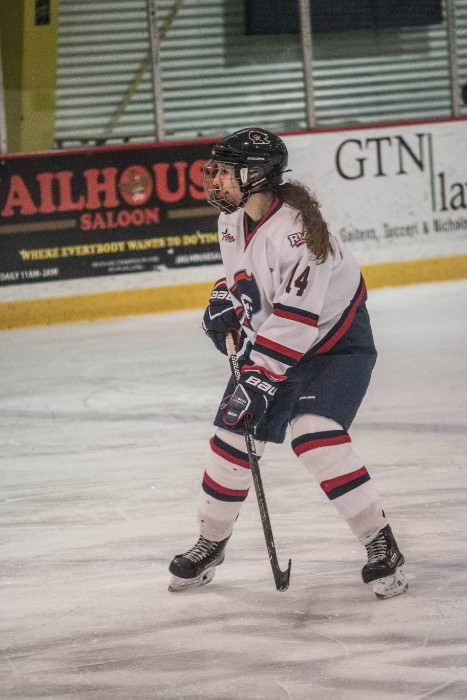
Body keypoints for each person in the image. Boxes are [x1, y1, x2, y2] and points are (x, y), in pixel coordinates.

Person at [168, 127, 408, 600]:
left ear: (254, 175)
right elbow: (246, 281)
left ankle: (382, 544)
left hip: (334, 345)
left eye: (224, 169)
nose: (214, 178)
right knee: (231, 436)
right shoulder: (233, 220)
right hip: (279, 342)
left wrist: (260, 373)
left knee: (314, 436)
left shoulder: (300, 237)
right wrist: (227, 305)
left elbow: (297, 322)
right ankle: (211, 543)